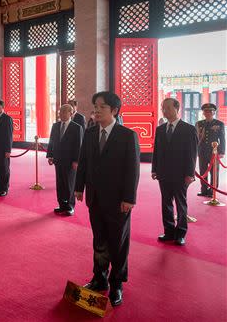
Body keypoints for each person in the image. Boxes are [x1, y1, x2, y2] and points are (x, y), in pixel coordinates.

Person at [75, 91, 140, 307]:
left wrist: (129, 198)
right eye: (95, 106)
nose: (96, 110)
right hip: (95, 198)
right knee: (100, 239)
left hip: (119, 201)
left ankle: (117, 283)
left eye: (101, 107)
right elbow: (83, 162)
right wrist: (78, 187)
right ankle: (100, 278)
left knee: (118, 243)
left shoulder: (127, 135)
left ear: (114, 110)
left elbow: (133, 170)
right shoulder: (91, 133)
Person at [152, 98, 198, 246]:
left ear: (177, 108)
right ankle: (169, 231)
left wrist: (190, 174)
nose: (164, 111)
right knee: (166, 204)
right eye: (163, 108)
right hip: (163, 174)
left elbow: (191, 153)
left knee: (181, 204)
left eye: (167, 108)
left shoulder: (188, 129)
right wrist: (154, 169)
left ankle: (181, 233)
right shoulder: (160, 129)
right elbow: (157, 151)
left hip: (180, 174)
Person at [47, 104, 83, 216]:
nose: (61, 114)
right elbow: (51, 141)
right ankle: (61, 205)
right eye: (60, 112)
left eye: (64, 112)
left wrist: (76, 161)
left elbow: (79, 146)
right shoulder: (55, 126)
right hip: (58, 159)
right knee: (60, 183)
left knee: (69, 184)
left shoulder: (77, 128)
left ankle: (70, 206)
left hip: (70, 161)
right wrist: (50, 155)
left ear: (71, 113)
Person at [195, 103, 225, 197]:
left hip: (214, 152)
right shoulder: (199, 123)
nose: (208, 113)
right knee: (203, 171)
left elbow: (222, 138)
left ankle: (213, 191)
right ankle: (204, 190)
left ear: (214, 112)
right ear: (203, 113)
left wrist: (222, 151)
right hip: (202, 151)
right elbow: (196, 138)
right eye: (206, 111)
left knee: (214, 172)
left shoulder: (219, 124)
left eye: (210, 111)